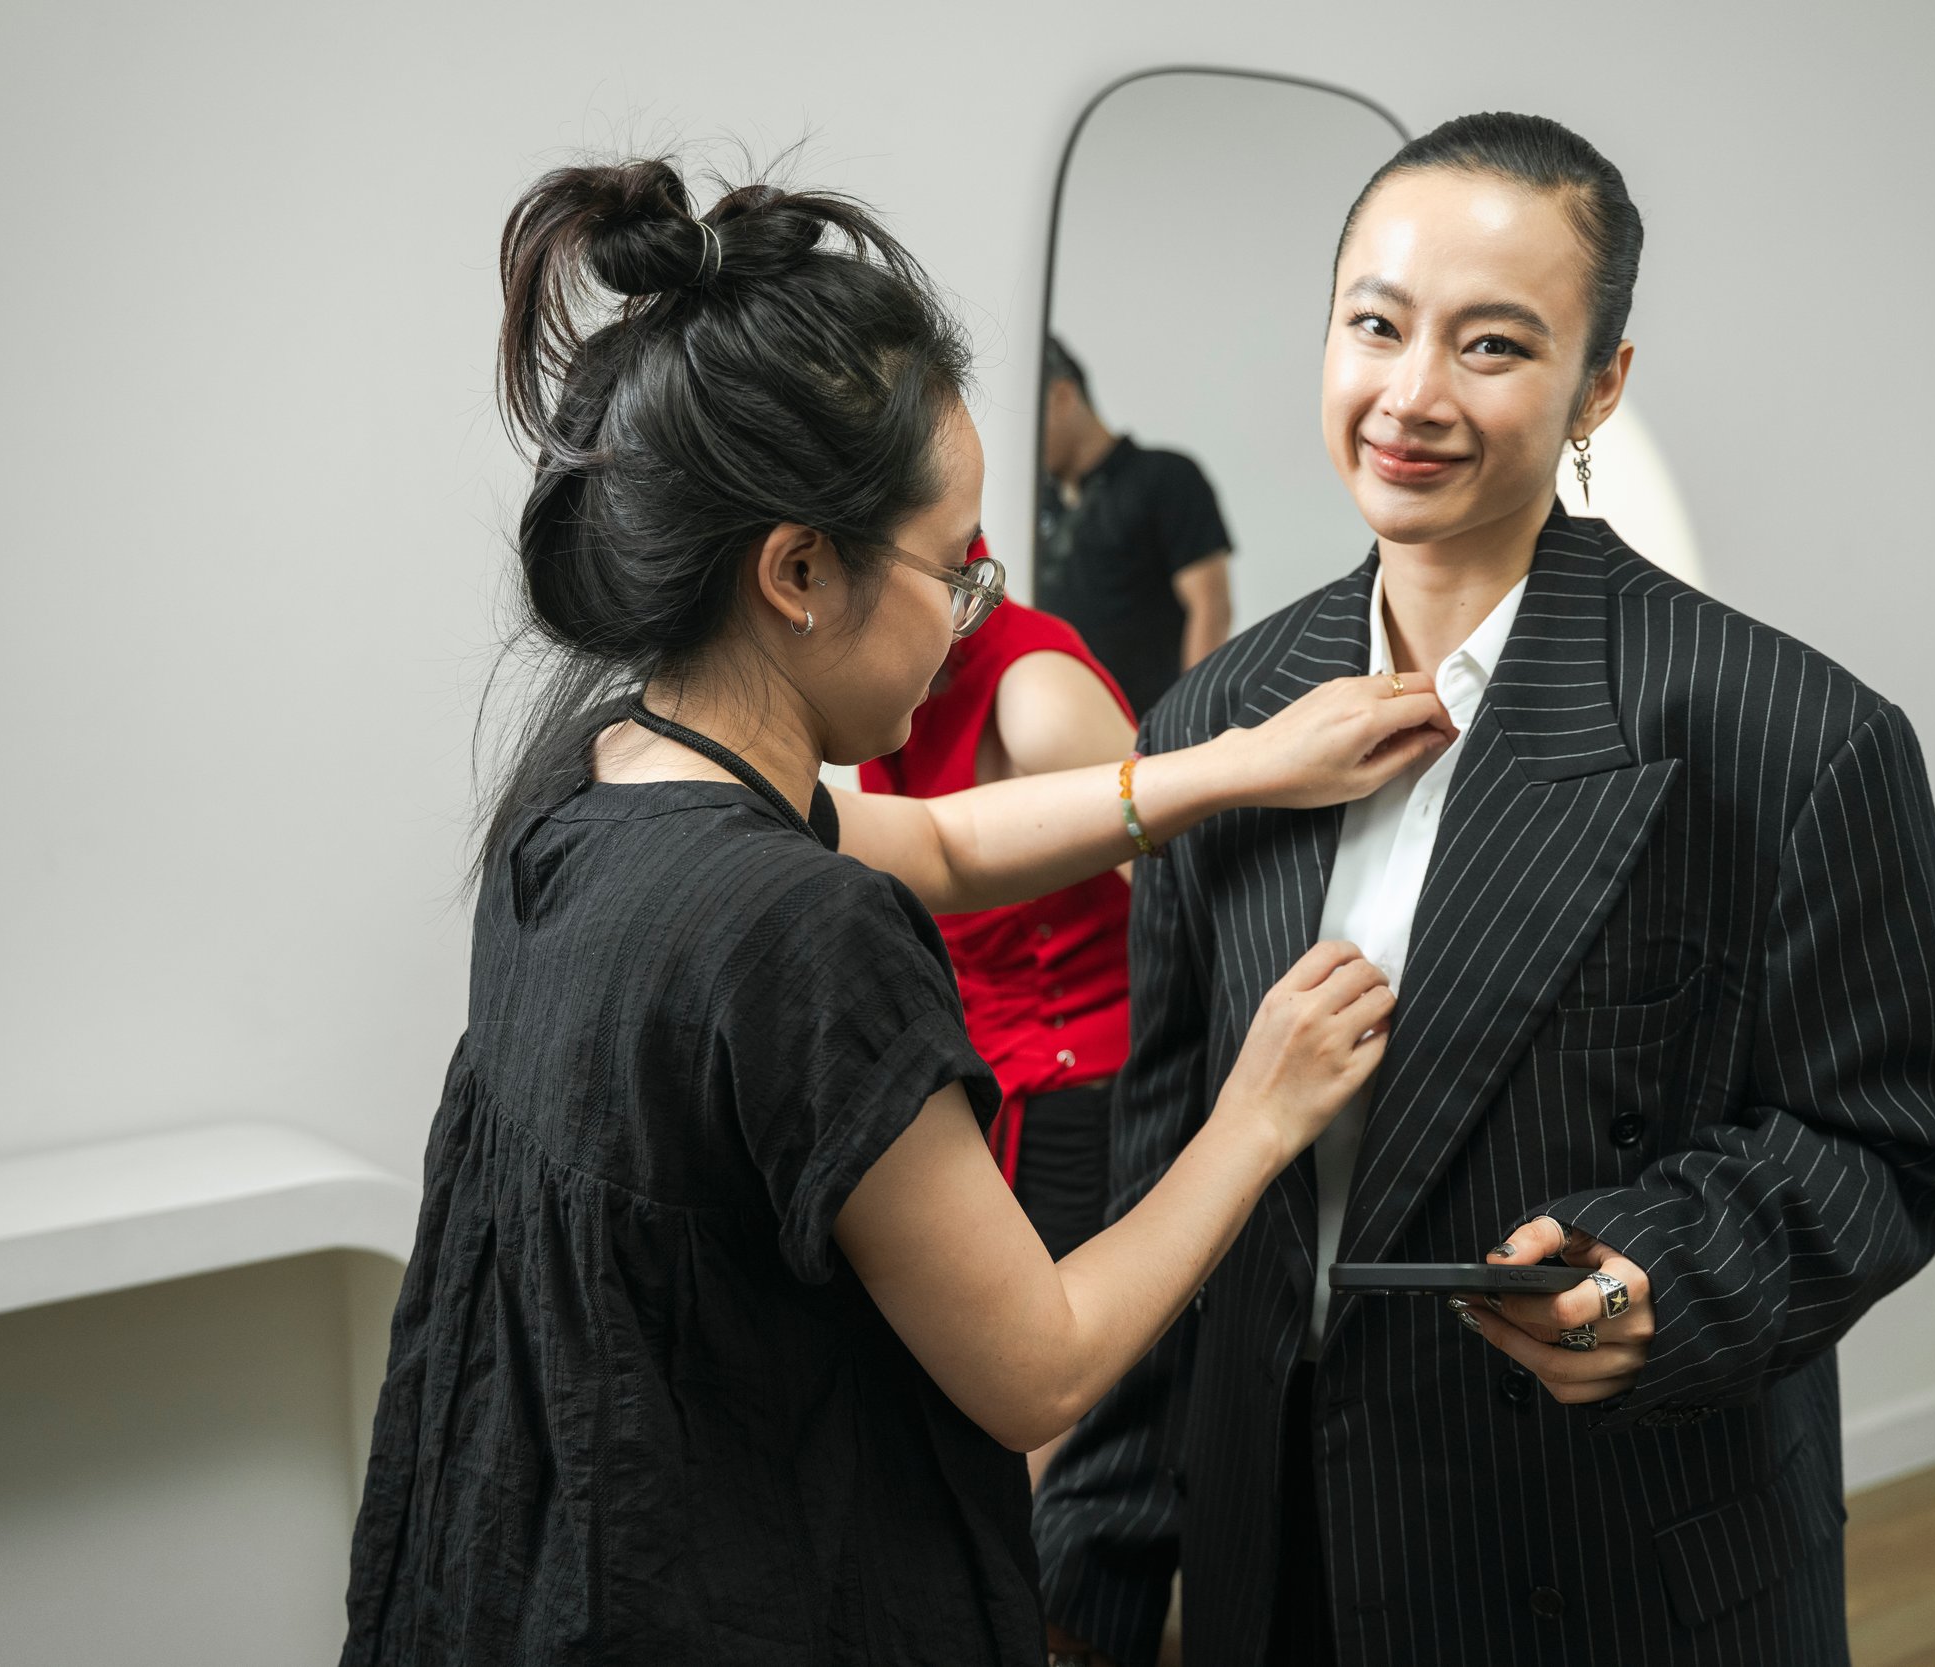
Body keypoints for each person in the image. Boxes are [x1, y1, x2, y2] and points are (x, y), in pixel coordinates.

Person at [337, 158, 1463, 1667]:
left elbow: (936, 837)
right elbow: (1039, 1365)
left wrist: (1232, 766)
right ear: (799, 570)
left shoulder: (594, 775)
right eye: (952, 566)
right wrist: (1257, 1113)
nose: (972, 608)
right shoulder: (802, 935)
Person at [1035, 112, 1935, 1667]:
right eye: (1376, 324)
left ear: (1600, 382)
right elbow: (1161, 1181)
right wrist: (1095, 1571)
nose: (1412, 395)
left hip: (1603, 1551)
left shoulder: (1789, 734)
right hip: (1280, 1546)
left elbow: (1891, 1141)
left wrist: (1661, 1272)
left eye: (1492, 344)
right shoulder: (1219, 718)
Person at [857, 570, 1137, 1266]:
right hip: (975, 1097)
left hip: (1087, 1105)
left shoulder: (1037, 700)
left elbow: (1191, 911)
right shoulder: (877, 689)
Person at [1035, 336, 1233, 717]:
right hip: (1070, 727)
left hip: (1152, 727)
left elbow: (1211, 606)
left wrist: (1188, 721)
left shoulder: (1165, 477)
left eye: (1028, 419)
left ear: (1062, 396)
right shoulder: (1039, 504)